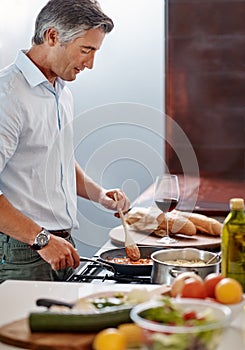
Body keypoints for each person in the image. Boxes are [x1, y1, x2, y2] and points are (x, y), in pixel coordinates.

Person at [0, 0, 130, 283]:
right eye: (86, 50)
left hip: (58, 243)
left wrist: (99, 194)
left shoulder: (60, 90)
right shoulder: (7, 96)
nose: (90, 64)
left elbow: (54, 158)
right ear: (52, 36)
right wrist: (42, 240)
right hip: (23, 249)